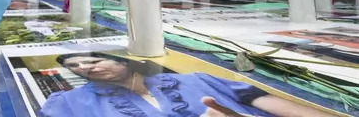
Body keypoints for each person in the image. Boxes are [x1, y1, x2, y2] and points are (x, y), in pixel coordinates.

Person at [38, 52, 334, 117]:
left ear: (124, 58)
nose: (84, 68)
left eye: (91, 59)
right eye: (74, 66)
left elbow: (262, 100)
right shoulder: (68, 104)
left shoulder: (196, 80)